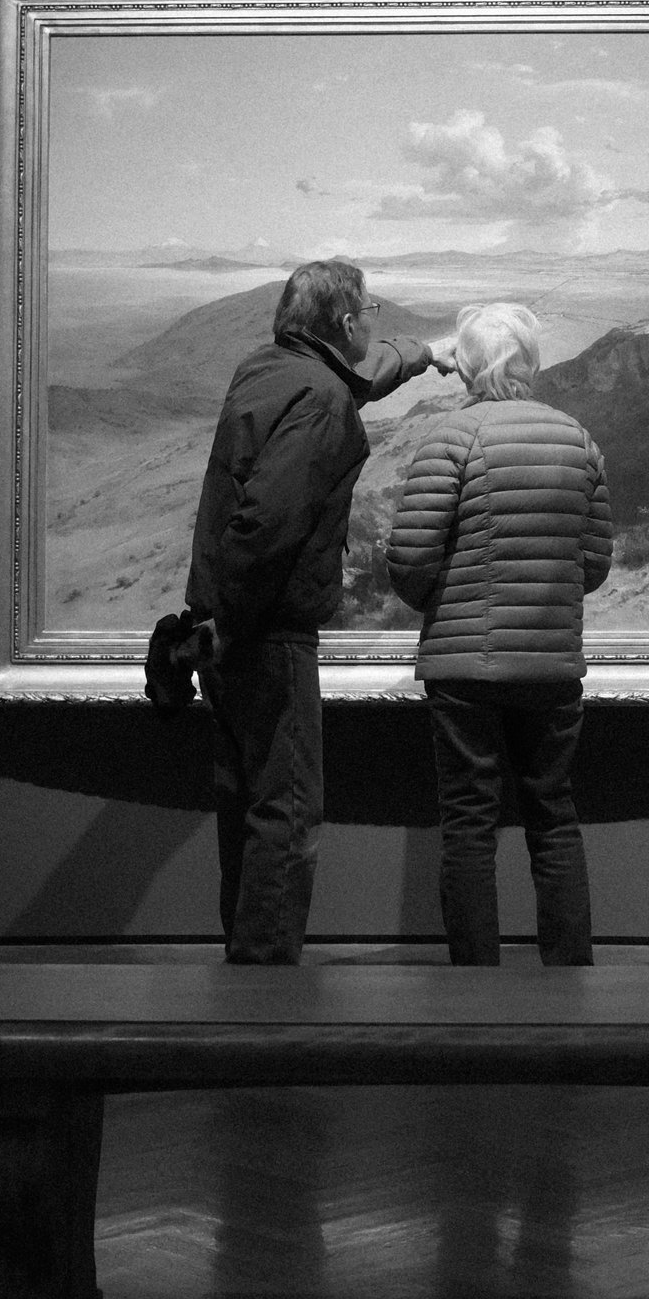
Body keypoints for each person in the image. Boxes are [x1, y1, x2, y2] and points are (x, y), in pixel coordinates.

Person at [184, 259, 449, 963]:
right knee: (288, 815)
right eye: (372, 313)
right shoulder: (324, 398)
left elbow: (358, 377)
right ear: (346, 322)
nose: (376, 322)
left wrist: (427, 354)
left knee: (244, 808)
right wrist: (234, 622)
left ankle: (241, 981)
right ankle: (264, 998)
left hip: (227, 626)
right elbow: (270, 522)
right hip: (266, 632)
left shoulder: (269, 369)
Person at [384, 302, 612, 966]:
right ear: (532, 363)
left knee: (469, 831)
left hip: (465, 675)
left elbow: (410, 563)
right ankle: (570, 982)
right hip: (551, 669)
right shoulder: (578, 439)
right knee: (554, 822)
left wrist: (451, 601)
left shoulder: (450, 440)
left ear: (467, 367)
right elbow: (593, 564)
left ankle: (475, 995)